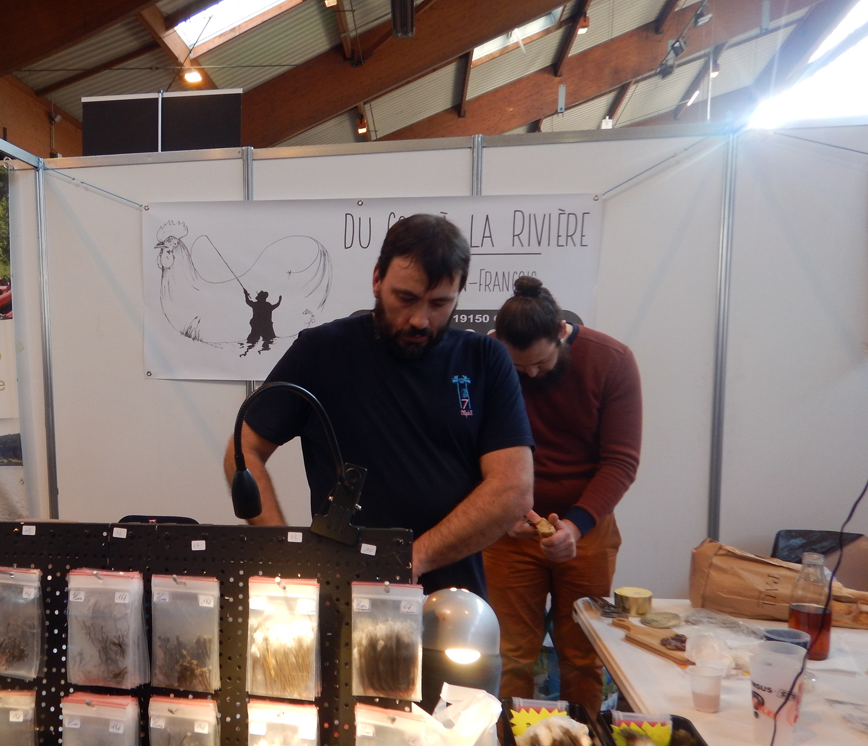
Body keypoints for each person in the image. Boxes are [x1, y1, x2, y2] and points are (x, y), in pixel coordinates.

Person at [224, 214, 534, 595]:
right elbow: (244, 450)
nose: (420, 320)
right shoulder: (322, 352)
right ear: (377, 279)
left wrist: (411, 561)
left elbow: (513, 489)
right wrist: (282, 552)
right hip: (341, 591)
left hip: (452, 601)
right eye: (405, 298)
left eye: (440, 303)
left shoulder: (485, 359)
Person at [484, 276, 642, 716]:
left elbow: (621, 462)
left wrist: (575, 524)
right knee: (510, 655)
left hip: (586, 532)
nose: (531, 374)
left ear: (561, 332)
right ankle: (509, 744)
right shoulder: (487, 359)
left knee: (583, 656)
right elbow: (465, 448)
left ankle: (583, 745)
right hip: (509, 533)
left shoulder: (611, 360)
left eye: (541, 363)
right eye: (520, 367)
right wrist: (503, 513)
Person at [243, 288, 281, 354]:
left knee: (252, 340)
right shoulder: (267, 305)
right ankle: (264, 349)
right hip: (266, 326)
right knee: (268, 339)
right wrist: (279, 301)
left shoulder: (256, 304)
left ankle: (249, 350)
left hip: (257, 325)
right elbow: (275, 306)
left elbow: (248, 302)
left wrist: (246, 295)